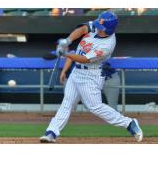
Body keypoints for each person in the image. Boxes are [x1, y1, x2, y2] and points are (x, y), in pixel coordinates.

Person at [40, 11, 143, 143]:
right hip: (76, 73)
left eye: (101, 28)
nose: (97, 29)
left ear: (108, 29)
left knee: (96, 107)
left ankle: (129, 123)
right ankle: (51, 132)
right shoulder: (98, 26)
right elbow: (83, 29)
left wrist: (65, 54)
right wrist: (68, 40)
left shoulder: (107, 45)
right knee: (67, 103)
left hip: (91, 75)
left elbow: (84, 59)